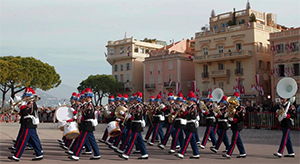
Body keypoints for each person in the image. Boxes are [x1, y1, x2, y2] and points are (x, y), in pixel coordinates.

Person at [8, 87, 43, 162]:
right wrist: (16, 107)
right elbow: (20, 113)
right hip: (27, 123)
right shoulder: (27, 103)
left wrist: (22, 106)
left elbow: (25, 112)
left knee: (23, 140)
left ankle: (17, 156)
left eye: (25, 96)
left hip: (28, 123)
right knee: (34, 139)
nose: (23, 97)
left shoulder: (31, 103)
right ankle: (39, 153)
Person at [68, 88, 100, 161]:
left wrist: (81, 116)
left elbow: (88, 114)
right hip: (85, 124)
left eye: (86, 97)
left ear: (89, 97)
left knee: (81, 140)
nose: (84, 98)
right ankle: (97, 154)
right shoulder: (85, 105)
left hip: (87, 124)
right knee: (92, 140)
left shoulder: (90, 105)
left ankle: (76, 155)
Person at [119, 92, 148, 160]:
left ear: (137, 100)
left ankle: (126, 154)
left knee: (132, 141)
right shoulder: (133, 107)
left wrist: (131, 116)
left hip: (137, 125)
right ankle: (144, 153)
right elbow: (128, 113)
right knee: (140, 141)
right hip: (134, 124)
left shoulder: (139, 107)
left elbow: (138, 116)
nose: (133, 100)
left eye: (134, 99)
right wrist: (125, 114)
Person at [175, 91, 200, 159]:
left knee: (187, 139)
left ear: (192, 100)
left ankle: (182, 153)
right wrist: (181, 112)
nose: (187, 101)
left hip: (192, 124)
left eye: (189, 100)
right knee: (193, 141)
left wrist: (184, 111)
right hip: (188, 124)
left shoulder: (194, 107)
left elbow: (191, 116)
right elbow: (184, 116)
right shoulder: (188, 107)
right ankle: (196, 153)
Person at [222, 92, 246, 159]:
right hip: (233, 125)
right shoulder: (232, 108)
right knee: (238, 140)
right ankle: (242, 152)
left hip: (238, 125)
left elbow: (242, 118)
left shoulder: (241, 109)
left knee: (233, 140)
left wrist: (235, 120)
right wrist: (228, 117)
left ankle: (229, 153)